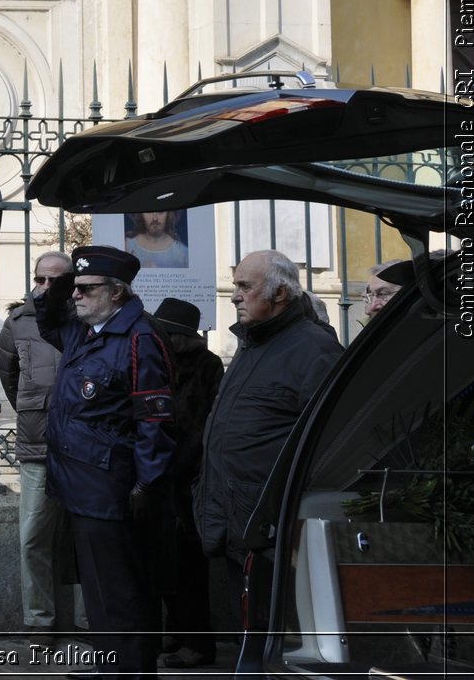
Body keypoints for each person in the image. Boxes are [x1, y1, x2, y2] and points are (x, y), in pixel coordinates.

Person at [195, 249, 342, 669]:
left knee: (276, 645)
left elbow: (326, 442)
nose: (234, 296)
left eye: (245, 286)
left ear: (279, 292)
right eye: (236, 285)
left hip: (271, 526)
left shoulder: (312, 348)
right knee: (250, 637)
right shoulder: (253, 341)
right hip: (232, 516)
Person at [35, 245, 174, 678]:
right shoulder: (87, 329)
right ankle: (110, 665)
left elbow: (156, 420)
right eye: (73, 288)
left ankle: (128, 670)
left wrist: (147, 484)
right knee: (98, 590)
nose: (76, 296)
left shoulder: (139, 339)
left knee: (121, 593)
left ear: (116, 293)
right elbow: (47, 316)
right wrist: (58, 281)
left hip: (112, 488)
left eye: (87, 288)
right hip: (81, 484)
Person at [0, 250, 75, 642]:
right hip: (37, 441)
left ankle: (91, 617)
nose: (46, 287)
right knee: (33, 535)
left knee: (88, 535)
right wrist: (34, 413)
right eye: (40, 279)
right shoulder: (16, 322)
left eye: (56, 281)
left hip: (84, 446)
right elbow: (10, 380)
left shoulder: (86, 317)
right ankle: (39, 618)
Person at [148, 298, 224, 670]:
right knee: (168, 563)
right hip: (166, 474)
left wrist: (179, 461)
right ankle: (176, 630)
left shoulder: (203, 366)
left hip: (187, 478)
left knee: (188, 567)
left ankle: (197, 642)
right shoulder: (161, 362)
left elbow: (206, 424)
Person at [124, 211, 190, 270]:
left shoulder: (183, 254)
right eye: (149, 211)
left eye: (160, 211)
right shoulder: (127, 246)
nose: (155, 218)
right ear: (140, 214)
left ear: (169, 214)